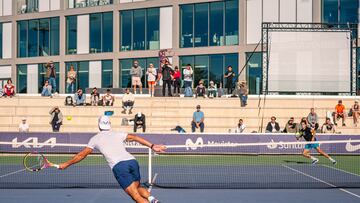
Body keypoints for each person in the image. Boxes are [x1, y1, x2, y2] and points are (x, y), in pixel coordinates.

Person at [58, 116, 165, 203]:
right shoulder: (117, 134)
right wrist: (152, 146)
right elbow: (134, 137)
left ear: (99, 125)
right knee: (136, 188)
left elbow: (81, 155)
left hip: (119, 167)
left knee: (135, 196)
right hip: (132, 162)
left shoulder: (95, 139)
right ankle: (152, 199)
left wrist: (66, 164)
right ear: (109, 125)